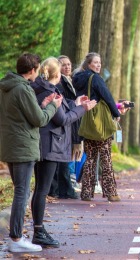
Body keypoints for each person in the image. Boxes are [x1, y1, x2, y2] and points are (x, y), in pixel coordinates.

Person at [31, 57, 96, 248]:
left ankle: (38, 228)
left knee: (40, 189)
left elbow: (62, 106)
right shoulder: (49, 91)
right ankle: (38, 230)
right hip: (50, 144)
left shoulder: (40, 88)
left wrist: (75, 101)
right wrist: (82, 109)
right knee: (42, 190)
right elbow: (63, 119)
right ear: (57, 74)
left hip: (43, 143)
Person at [0, 53, 62, 252]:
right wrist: (53, 106)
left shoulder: (6, 87)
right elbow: (40, 120)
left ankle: (17, 236)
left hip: (10, 144)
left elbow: (23, 114)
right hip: (24, 146)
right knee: (22, 192)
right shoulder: (23, 89)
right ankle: (16, 239)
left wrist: (42, 105)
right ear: (33, 70)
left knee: (21, 189)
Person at [73, 52, 122, 202]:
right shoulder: (96, 79)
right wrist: (116, 112)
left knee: (90, 159)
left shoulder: (77, 79)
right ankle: (111, 193)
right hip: (100, 125)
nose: (98, 65)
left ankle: (86, 193)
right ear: (88, 64)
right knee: (105, 158)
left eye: (100, 62)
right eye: (95, 62)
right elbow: (106, 96)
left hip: (87, 122)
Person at [48, 55, 83, 199]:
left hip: (70, 124)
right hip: (64, 124)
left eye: (69, 64)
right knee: (62, 160)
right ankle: (61, 189)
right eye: (63, 65)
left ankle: (63, 188)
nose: (67, 67)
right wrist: (75, 104)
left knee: (66, 160)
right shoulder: (59, 84)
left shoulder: (70, 81)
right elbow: (64, 105)